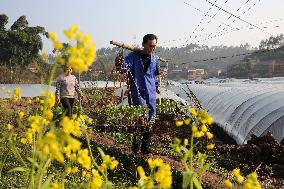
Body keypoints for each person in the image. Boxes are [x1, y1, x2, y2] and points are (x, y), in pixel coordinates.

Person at [116, 34, 160, 154]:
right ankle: (136, 144)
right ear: (143, 44)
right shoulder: (133, 56)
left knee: (151, 119)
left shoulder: (154, 59)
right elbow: (123, 68)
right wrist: (119, 64)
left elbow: (155, 75)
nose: (152, 48)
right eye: (150, 45)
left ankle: (146, 146)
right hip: (137, 91)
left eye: (154, 46)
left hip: (151, 93)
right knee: (140, 119)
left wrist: (157, 86)